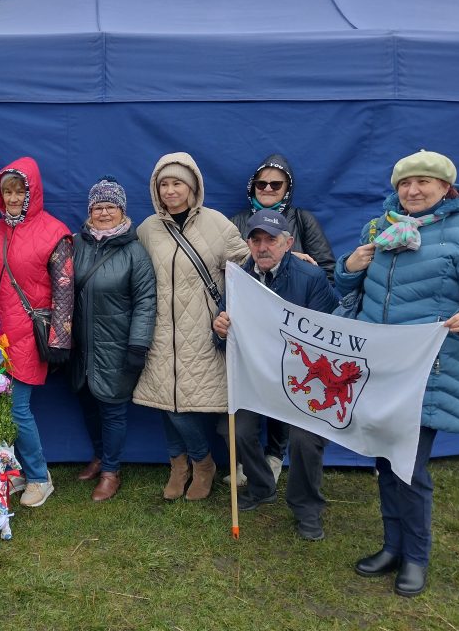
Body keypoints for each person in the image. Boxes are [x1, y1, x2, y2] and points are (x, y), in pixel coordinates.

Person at [338, 149, 459, 597]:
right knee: (384, 461)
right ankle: (392, 546)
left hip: (427, 372)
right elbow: (354, 292)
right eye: (404, 183)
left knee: (409, 469)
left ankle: (416, 557)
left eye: (423, 182)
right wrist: (348, 269)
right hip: (380, 370)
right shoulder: (380, 228)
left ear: (446, 188)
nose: (412, 191)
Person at [212, 209, 338, 540]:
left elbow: (328, 334)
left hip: (302, 377)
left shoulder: (310, 278)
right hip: (256, 376)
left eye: (271, 240)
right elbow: (222, 338)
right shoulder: (238, 278)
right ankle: (261, 486)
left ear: (288, 243)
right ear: (248, 244)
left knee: (305, 439)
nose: (263, 247)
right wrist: (221, 329)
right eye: (256, 240)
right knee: (236, 431)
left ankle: (306, 508)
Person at [134, 152, 248, 501]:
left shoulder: (217, 225)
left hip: (202, 330)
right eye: (164, 184)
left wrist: (289, 259)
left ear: (193, 186)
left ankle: (203, 463)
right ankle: (179, 466)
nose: (170, 191)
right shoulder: (147, 229)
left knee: (182, 407)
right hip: (160, 332)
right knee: (165, 401)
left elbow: (247, 269)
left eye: (177, 183)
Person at [229, 153, 336, 484]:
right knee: (246, 406)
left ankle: (275, 456)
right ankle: (250, 463)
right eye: (261, 184)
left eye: (276, 184)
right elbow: (228, 265)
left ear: (287, 187)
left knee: (289, 392)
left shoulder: (302, 220)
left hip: (295, 325)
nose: (268, 189)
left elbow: (327, 271)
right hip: (254, 328)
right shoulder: (237, 221)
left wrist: (296, 265)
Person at [0, 156, 74, 508]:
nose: (13, 198)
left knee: (17, 409)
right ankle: (16, 470)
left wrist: (59, 341)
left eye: (19, 191)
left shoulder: (55, 232)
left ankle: (40, 477)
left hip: (28, 334)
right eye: (7, 191)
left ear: (32, 192)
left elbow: (64, 289)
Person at [70, 176, 156, 501]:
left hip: (117, 347)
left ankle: (111, 471)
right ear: (90, 211)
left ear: (122, 210)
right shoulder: (76, 245)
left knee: (113, 410)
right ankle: (98, 456)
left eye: (111, 206)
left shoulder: (135, 252)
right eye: (98, 207)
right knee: (88, 404)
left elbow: (146, 301)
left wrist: (138, 344)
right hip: (81, 347)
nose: (104, 212)